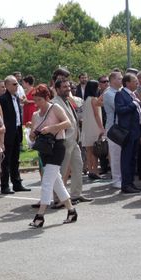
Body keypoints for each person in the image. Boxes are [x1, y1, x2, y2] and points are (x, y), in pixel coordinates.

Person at [28, 85, 78, 228]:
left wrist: (51, 128)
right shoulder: (35, 115)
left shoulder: (55, 108)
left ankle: (40, 215)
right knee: (56, 182)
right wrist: (32, 134)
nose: (37, 103)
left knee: (47, 182)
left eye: (39, 100)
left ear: (47, 98)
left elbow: (68, 123)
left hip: (57, 146)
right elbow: (32, 136)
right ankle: (71, 211)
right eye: (35, 100)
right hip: (44, 149)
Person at [52, 74, 90, 203]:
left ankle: (76, 194)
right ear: (57, 89)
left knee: (78, 167)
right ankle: (58, 198)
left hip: (74, 141)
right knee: (62, 171)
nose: (67, 89)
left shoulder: (68, 101)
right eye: (64, 87)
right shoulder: (55, 103)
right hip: (63, 141)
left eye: (68, 86)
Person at [0, 75, 30, 194]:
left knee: (15, 159)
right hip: (7, 133)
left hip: (17, 130)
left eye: (17, 83)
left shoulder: (16, 97)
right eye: (14, 84)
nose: (17, 86)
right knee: (6, 160)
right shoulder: (2, 99)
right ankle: (5, 185)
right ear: (7, 86)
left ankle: (17, 183)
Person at [115, 72, 141, 194]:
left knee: (133, 158)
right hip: (127, 131)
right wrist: (133, 104)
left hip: (136, 131)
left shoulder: (134, 94)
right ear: (127, 83)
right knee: (126, 158)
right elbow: (120, 110)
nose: (137, 83)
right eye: (134, 81)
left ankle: (131, 183)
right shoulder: (120, 94)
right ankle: (126, 184)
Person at [79, 80, 104, 179]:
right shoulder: (93, 99)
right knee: (95, 150)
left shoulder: (86, 100)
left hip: (87, 126)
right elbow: (96, 114)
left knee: (89, 150)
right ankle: (95, 171)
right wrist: (101, 127)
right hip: (94, 126)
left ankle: (90, 170)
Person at [103, 70, 123, 189]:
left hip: (121, 127)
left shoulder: (120, 91)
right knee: (115, 155)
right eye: (119, 78)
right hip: (113, 128)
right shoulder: (109, 93)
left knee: (122, 154)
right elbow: (118, 107)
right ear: (112, 80)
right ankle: (116, 179)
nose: (121, 80)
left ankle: (122, 177)